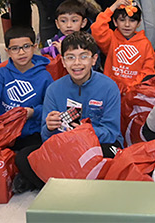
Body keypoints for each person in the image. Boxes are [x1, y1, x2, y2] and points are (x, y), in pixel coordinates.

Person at [14, 32, 122, 193]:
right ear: (63, 61)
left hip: (99, 145)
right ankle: (72, 188)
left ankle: (57, 186)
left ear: (94, 59)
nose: (77, 63)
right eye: (70, 57)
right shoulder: (54, 89)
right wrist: (49, 127)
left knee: (113, 157)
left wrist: (83, 133)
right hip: (66, 147)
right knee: (24, 157)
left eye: (83, 57)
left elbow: (111, 133)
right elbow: (46, 138)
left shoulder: (109, 87)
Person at [0, 26, 51, 146]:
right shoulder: (3, 72)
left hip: (30, 132)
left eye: (26, 46)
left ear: (34, 47)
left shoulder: (44, 76)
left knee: (28, 154)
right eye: (15, 48)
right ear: (8, 52)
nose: (21, 52)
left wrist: (33, 112)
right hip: (3, 129)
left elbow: (50, 107)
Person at [91, 0, 155, 94]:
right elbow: (97, 28)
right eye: (122, 20)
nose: (127, 24)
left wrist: (129, 89)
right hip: (109, 91)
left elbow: (148, 72)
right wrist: (114, 6)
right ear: (115, 22)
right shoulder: (111, 38)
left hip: (134, 93)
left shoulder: (145, 44)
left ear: (139, 23)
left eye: (132, 20)